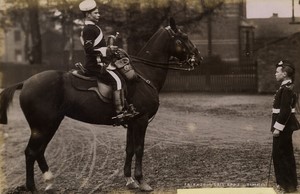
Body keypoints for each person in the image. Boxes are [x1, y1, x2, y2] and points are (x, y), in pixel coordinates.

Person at [79, 0, 133, 125]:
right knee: (118, 81)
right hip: (95, 65)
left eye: (98, 13)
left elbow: (99, 46)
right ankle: (120, 113)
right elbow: (88, 50)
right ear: (88, 15)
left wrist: (110, 43)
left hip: (101, 63)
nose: (99, 15)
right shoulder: (89, 29)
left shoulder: (94, 28)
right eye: (96, 13)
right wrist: (107, 49)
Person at [271, 60, 300, 193]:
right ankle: (290, 185)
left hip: (283, 128)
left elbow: (285, 111)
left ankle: (285, 185)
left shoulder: (286, 89)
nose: (275, 74)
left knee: (280, 155)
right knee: (285, 155)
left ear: (285, 74)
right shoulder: (285, 87)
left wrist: (278, 127)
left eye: (277, 72)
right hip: (285, 127)